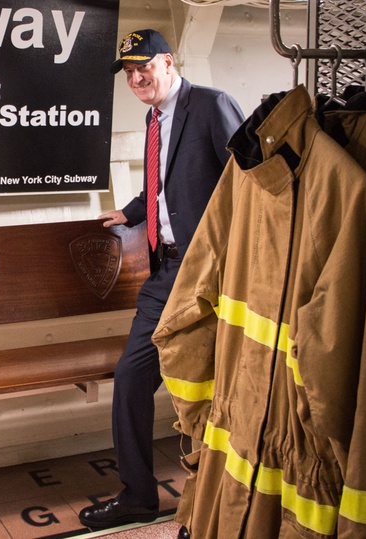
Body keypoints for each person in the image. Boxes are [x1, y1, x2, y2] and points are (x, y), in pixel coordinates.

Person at [80, 29, 244, 530]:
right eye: (128, 72)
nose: (136, 78)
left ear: (168, 63)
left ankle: (222, 492)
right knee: (131, 377)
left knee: (216, 385)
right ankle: (138, 495)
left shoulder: (213, 106)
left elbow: (251, 179)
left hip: (213, 270)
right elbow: (165, 185)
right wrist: (129, 212)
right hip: (166, 270)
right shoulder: (155, 118)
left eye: (143, 67)